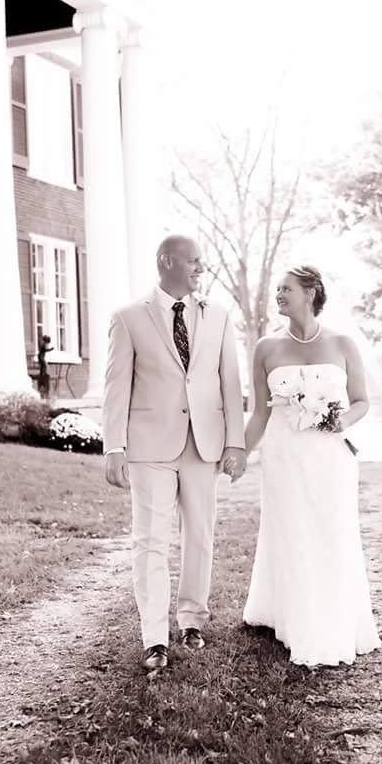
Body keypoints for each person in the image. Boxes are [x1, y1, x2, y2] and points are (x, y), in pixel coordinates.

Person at [102, 235, 246, 672]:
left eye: (202, 261)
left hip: (204, 443)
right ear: (167, 262)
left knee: (199, 534)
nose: (201, 268)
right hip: (149, 446)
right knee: (150, 538)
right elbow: (115, 386)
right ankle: (153, 638)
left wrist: (235, 441)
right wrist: (114, 446)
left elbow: (229, 382)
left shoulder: (218, 316)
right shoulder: (128, 318)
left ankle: (192, 620)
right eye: (193, 261)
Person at [242, 265, 382, 667]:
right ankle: (293, 617)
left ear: (311, 293)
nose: (278, 294)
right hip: (283, 458)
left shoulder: (343, 344)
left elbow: (361, 400)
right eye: (276, 289)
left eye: (286, 288)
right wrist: (237, 451)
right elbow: (259, 414)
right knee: (291, 532)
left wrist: (339, 419)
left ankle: (335, 617)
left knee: (331, 533)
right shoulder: (266, 349)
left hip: (330, 458)